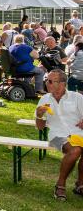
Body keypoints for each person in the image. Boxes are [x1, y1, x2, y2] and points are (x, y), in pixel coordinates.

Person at [35, 69, 83, 200]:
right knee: (75, 151)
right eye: (46, 80)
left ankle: (80, 183)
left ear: (62, 83)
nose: (47, 83)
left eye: (50, 81)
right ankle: (60, 184)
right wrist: (39, 115)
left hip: (78, 134)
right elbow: (40, 127)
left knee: (78, 149)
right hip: (56, 136)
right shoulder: (44, 99)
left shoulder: (77, 97)